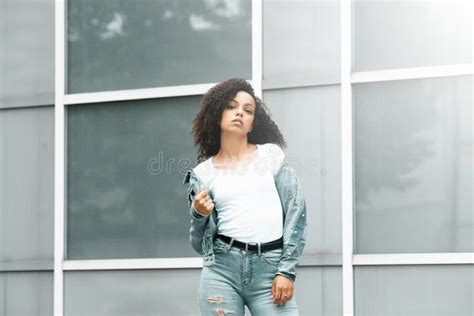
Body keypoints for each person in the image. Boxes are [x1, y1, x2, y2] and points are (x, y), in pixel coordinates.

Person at [183, 78, 307, 316]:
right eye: (231, 106)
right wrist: (198, 214)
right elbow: (200, 245)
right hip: (221, 271)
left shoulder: (271, 155)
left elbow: (297, 212)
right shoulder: (202, 174)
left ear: (252, 123)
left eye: (247, 110)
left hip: (271, 269)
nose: (239, 112)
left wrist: (286, 271)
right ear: (217, 114)